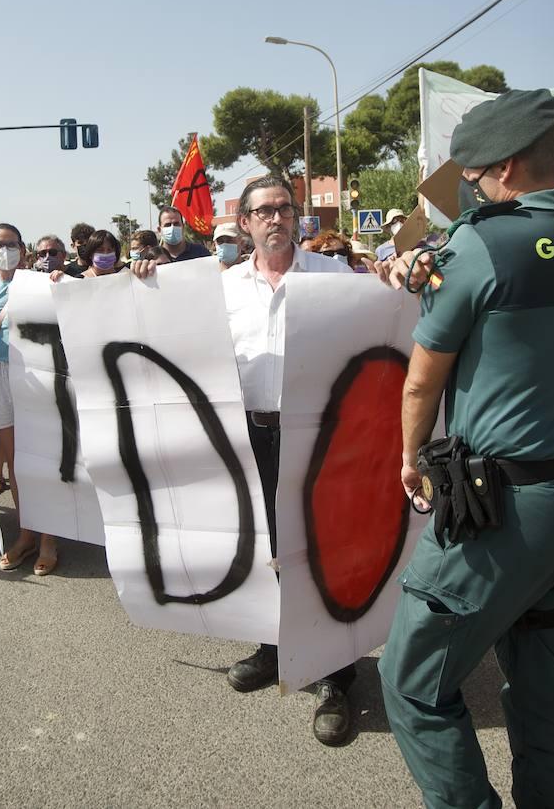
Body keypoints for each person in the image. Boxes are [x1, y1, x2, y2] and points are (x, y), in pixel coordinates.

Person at [377, 89, 554, 807]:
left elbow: (422, 382)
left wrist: (409, 456)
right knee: (544, 684)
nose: (469, 186)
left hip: (502, 510)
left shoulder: (479, 243)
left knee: (413, 680)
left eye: (475, 174)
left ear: (505, 167)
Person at [134, 176, 357, 745]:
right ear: (247, 224)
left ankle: (335, 675)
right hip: (251, 435)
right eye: (264, 211)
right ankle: (274, 647)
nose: (276, 218)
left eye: (285, 208)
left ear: (299, 217)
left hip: (319, 437)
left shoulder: (336, 277)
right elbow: (166, 335)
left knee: (321, 548)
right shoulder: (222, 287)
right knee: (266, 549)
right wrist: (143, 285)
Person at [0, 223, 59, 575]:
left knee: (41, 460)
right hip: (0, 376)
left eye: (12, 244)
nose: (5, 250)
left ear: (23, 249)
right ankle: (27, 533)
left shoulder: (38, 282)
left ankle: (50, 538)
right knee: (17, 465)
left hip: (35, 373)